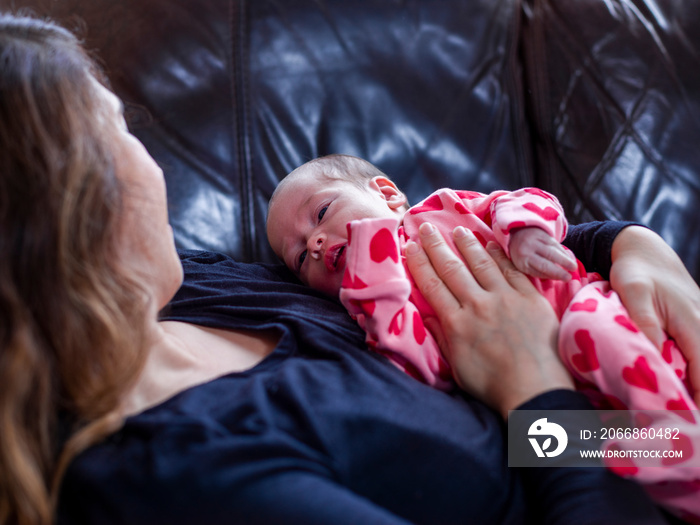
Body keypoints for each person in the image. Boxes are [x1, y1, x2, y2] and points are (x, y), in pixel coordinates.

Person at [1, 12, 700, 525]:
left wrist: (632, 243)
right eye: (120, 126)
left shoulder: (198, 288)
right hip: (600, 448)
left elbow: (495, 226)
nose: (313, 250)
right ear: (78, 207)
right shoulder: (182, 476)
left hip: (601, 384)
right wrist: (535, 388)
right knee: (676, 444)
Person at [266, 154, 700, 519]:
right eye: (302, 256)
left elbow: (523, 202)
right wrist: (370, 274)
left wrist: (526, 232)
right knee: (598, 445)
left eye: (321, 214)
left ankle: (685, 447)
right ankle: (679, 461)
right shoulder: (370, 305)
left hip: (590, 310)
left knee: (589, 329)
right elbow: (422, 365)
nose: (317, 242)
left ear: (387, 193)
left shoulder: (441, 212)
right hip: (569, 406)